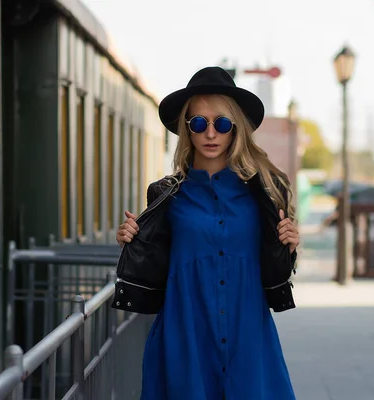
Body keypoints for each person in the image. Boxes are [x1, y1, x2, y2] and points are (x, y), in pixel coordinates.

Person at [112, 66, 299, 400]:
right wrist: (132, 240)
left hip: (249, 338)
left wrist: (288, 245)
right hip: (185, 338)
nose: (210, 133)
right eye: (199, 123)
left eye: (222, 123)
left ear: (235, 129)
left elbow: (276, 266)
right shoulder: (166, 196)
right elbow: (154, 262)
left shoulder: (264, 193)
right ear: (187, 129)